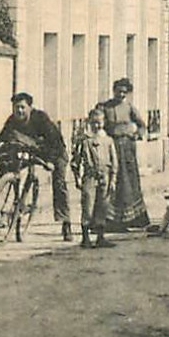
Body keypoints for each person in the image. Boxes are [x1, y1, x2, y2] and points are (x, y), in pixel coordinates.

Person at [0, 93, 70, 240]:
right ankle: (11, 209)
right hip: (30, 150)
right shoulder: (12, 120)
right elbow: (2, 139)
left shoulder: (41, 118)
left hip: (54, 152)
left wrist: (50, 161)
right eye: (16, 108)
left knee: (59, 183)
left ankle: (65, 222)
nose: (19, 111)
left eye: (23, 107)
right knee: (10, 167)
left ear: (30, 107)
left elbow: (55, 142)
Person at [99, 78, 151, 231]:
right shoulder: (105, 107)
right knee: (113, 182)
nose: (121, 94)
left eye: (124, 92)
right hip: (112, 148)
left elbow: (142, 125)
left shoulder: (129, 108)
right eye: (118, 91)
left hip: (127, 149)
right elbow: (97, 121)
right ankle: (111, 220)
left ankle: (133, 219)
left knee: (129, 182)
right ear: (113, 91)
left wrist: (136, 135)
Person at [71, 107, 117, 249]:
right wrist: (77, 178)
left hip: (105, 176)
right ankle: (85, 238)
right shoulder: (85, 141)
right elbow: (75, 162)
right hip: (90, 177)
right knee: (88, 206)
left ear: (104, 122)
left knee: (103, 206)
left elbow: (114, 161)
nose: (97, 126)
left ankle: (100, 237)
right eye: (94, 123)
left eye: (100, 122)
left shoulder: (108, 140)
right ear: (89, 123)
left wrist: (113, 179)